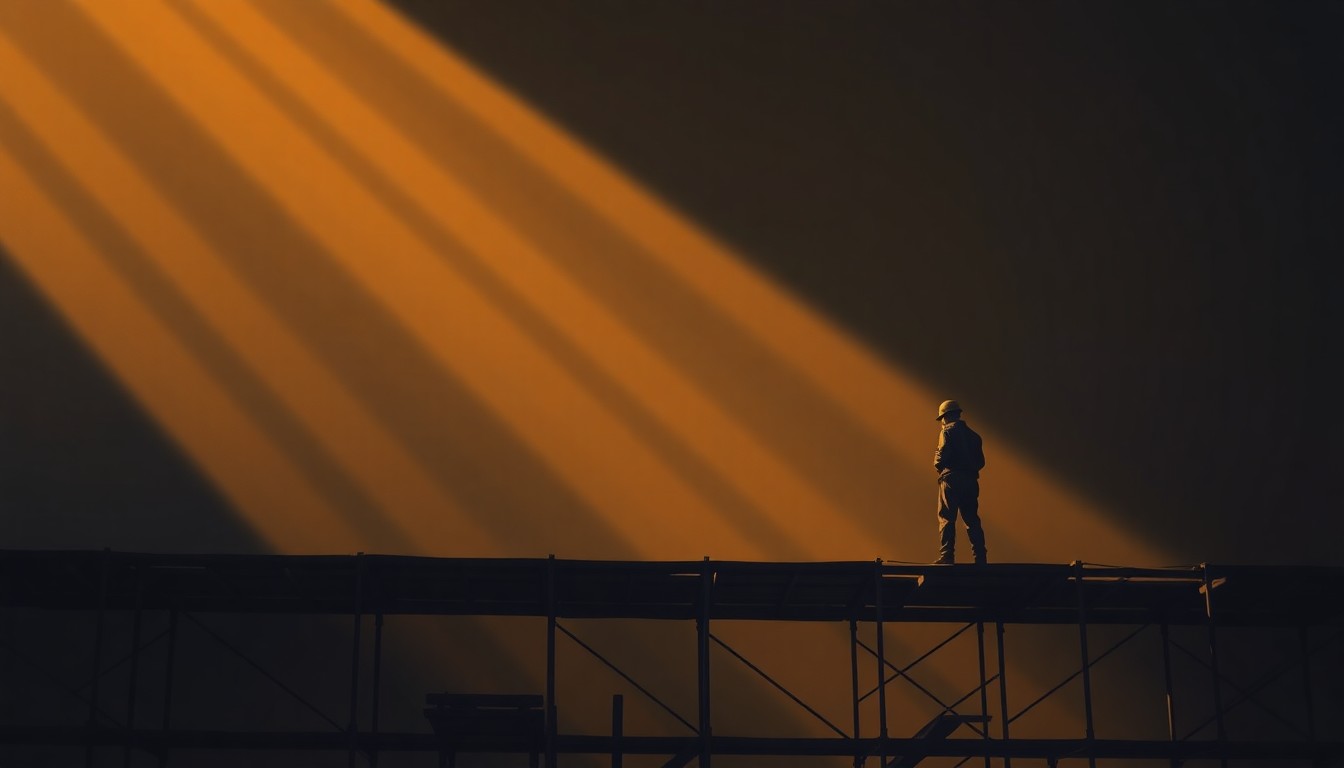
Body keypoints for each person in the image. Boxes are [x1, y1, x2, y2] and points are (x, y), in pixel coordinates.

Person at [932, 400, 987, 564]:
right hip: (970, 481)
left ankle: (947, 556)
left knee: (946, 518)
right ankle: (980, 557)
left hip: (951, 480)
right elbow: (981, 462)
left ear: (945, 416)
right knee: (972, 519)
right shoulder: (975, 436)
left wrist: (937, 463)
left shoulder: (946, 432)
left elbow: (943, 455)